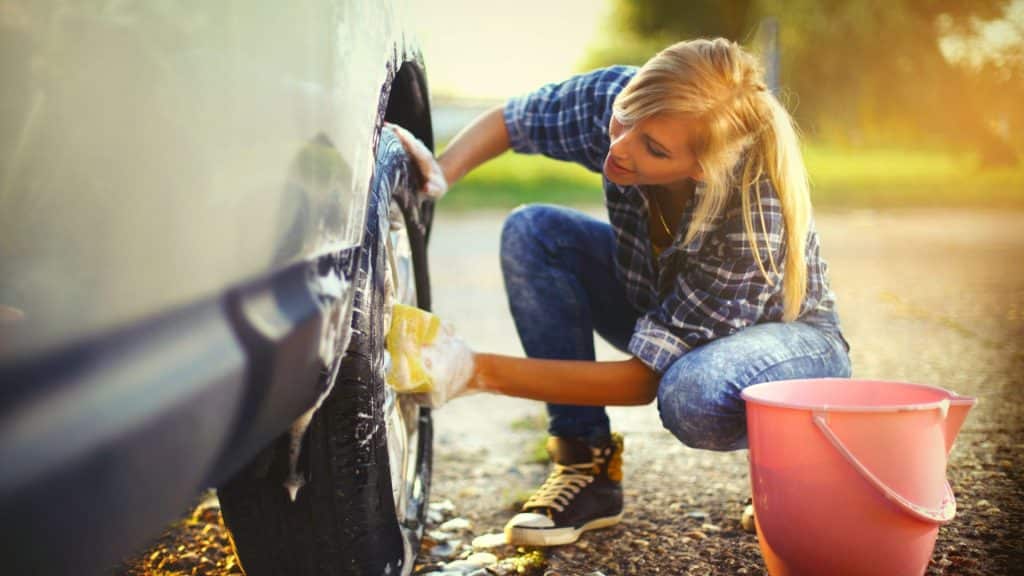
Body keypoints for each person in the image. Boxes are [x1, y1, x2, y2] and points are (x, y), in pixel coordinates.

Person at [389, 37, 851, 547]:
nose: (620, 147)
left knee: (689, 393)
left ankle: (802, 454)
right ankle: (585, 466)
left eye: (653, 148)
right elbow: (514, 121)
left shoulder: (752, 217)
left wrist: (473, 371)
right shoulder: (623, 102)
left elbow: (641, 381)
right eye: (623, 119)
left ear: (701, 167)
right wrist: (441, 172)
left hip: (791, 348)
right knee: (534, 233)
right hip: (660, 298)